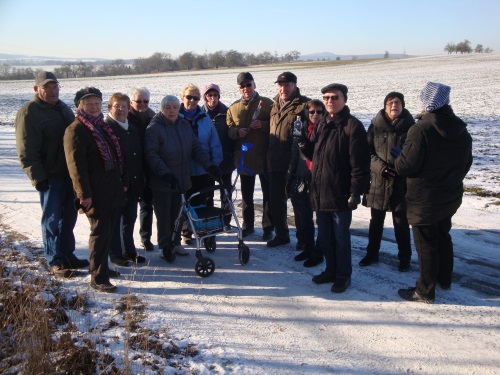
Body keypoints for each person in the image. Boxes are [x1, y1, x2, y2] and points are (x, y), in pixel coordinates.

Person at [395, 82, 472, 303]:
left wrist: (398, 157)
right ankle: (444, 278)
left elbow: (406, 166)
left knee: (425, 243)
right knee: (443, 235)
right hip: (450, 194)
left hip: (424, 198)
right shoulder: (460, 129)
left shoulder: (421, 129)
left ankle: (424, 290)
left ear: (427, 102)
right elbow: (467, 162)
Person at [15, 71, 87, 278]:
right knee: (52, 219)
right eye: (47, 87)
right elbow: (26, 150)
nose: (53, 91)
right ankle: (54, 260)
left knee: (69, 217)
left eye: (55, 87)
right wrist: (38, 178)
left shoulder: (62, 107)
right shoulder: (29, 113)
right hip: (50, 177)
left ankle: (67, 255)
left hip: (69, 175)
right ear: (36, 89)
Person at [300, 83, 370, 293]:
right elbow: (316, 156)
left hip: (340, 193)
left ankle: (343, 275)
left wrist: (355, 192)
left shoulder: (352, 126)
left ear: (344, 100)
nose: (330, 101)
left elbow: (360, 164)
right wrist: (302, 143)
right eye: (327, 98)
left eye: (334, 97)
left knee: (340, 238)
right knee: (325, 236)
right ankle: (330, 270)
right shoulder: (323, 124)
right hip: (321, 191)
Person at [64, 87, 127, 293]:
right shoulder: (76, 129)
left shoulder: (101, 126)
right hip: (95, 193)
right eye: (88, 103)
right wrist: (84, 195)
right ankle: (97, 277)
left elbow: (115, 158)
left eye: (96, 102)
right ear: (80, 106)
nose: (93, 106)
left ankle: (103, 268)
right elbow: (76, 167)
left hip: (109, 188)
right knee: (99, 232)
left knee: (107, 231)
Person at [144, 95, 220, 261]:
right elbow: (152, 155)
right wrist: (165, 173)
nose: (171, 111)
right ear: (162, 109)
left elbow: (196, 149)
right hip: (163, 181)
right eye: (168, 107)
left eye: (175, 107)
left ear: (179, 108)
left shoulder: (184, 125)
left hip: (182, 179)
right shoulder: (154, 128)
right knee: (164, 217)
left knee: (178, 214)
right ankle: (165, 246)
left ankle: (176, 242)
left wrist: (209, 166)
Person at [360, 92, 414, 272]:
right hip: (378, 181)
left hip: (401, 183)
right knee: (376, 222)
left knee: (401, 223)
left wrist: (401, 165)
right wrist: (381, 168)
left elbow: (415, 155)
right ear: (385, 106)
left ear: (403, 106)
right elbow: (366, 154)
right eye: (390, 103)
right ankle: (371, 254)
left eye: (397, 103)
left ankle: (404, 258)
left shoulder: (411, 128)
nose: (394, 106)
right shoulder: (375, 127)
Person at [227, 72, 274, 239]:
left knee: (268, 195)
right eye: (242, 86)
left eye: (249, 85)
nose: (246, 88)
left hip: (265, 156)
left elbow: (277, 126)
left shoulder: (268, 104)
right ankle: (248, 225)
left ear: (254, 85)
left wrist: (262, 125)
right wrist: (237, 132)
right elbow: (229, 129)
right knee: (247, 195)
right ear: (239, 89)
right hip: (245, 158)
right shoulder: (233, 108)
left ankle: (268, 227)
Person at [267, 71, 309, 247]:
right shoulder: (274, 105)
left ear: (294, 85)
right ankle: (281, 234)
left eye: (287, 85)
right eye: (280, 85)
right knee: (276, 201)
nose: (283, 89)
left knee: (299, 203)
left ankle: (303, 240)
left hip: (294, 163)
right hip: (274, 161)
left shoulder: (304, 105)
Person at [179, 84, 222, 250]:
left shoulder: (204, 119)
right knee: (185, 202)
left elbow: (215, 144)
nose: (192, 101)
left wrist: (214, 166)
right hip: (183, 170)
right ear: (183, 98)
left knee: (205, 201)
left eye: (195, 98)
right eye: (189, 97)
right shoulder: (176, 117)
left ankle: (207, 232)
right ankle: (186, 232)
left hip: (204, 170)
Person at [105, 93, 146, 267]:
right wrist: (120, 182)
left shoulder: (131, 128)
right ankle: (115, 253)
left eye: (124, 106)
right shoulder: (107, 129)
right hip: (116, 185)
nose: (121, 110)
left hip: (133, 182)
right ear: (109, 109)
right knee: (115, 221)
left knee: (130, 218)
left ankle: (129, 250)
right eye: (117, 106)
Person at [288, 99, 325, 267]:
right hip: (303, 178)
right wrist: (290, 177)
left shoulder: (326, 129)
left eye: (319, 112)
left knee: (322, 219)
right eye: (312, 112)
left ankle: (320, 252)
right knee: (304, 217)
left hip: (321, 180)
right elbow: (295, 156)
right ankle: (308, 248)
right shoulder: (300, 129)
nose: (315, 115)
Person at [201, 83, 234, 230]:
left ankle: (226, 221)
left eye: (215, 95)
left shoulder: (227, 112)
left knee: (225, 193)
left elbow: (232, 135)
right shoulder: (200, 113)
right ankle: (209, 220)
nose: (212, 98)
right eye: (209, 95)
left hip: (225, 160)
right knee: (207, 194)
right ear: (205, 97)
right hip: (206, 161)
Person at [128, 87, 156, 251]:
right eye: (138, 101)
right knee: (128, 211)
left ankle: (145, 238)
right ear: (131, 102)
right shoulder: (125, 117)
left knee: (147, 205)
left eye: (145, 101)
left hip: (149, 168)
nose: (142, 104)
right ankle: (125, 244)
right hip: (131, 170)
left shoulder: (153, 117)